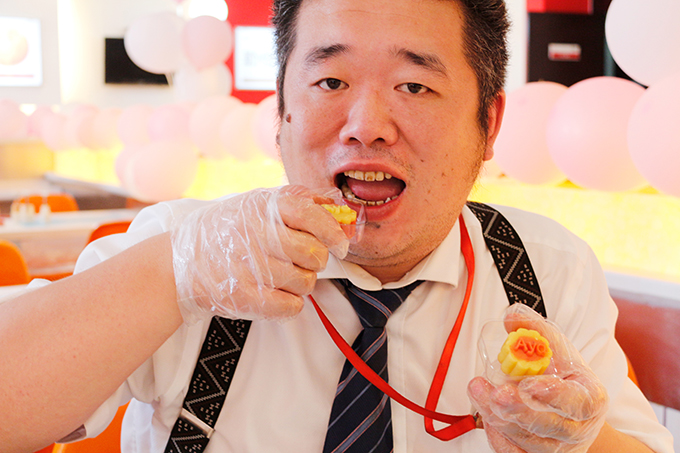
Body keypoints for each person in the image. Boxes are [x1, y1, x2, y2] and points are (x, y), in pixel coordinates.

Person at [0, 0, 673, 452]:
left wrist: (579, 441)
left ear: (488, 124)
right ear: (281, 111)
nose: (366, 126)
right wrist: (176, 273)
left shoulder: (547, 269)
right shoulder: (184, 247)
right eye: (330, 82)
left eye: (415, 86)